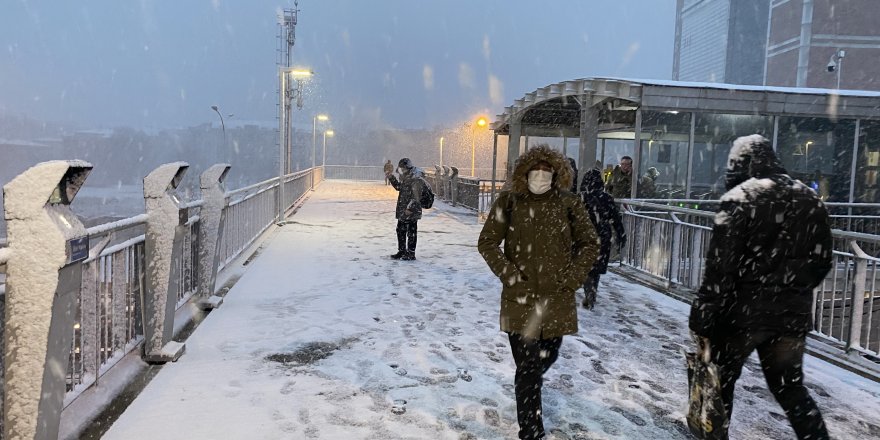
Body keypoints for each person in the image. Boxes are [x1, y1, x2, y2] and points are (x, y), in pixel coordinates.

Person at [689, 134, 833, 440]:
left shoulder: (740, 198)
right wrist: (792, 291)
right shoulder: (809, 199)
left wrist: (703, 313)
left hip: (740, 314)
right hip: (790, 317)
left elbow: (720, 269)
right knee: (791, 389)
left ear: (741, 164)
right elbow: (822, 262)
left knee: (720, 384)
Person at [478, 145, 599, 440]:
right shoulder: (509, 202)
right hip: (519, 300)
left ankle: (528, 389)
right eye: (536, 170)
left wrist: (572, 279)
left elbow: (590, 244)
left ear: (558, 174)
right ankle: (531, 430)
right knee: (529, 366)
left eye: (548, 171)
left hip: (556, 299)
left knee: (547, 357)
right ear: (524, 173)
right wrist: (511, 277)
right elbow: (488, 242)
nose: (541, 176)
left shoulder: (570, 204)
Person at [579, 168, 626, 309]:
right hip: (603, 234)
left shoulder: (580, 198)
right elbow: (616, 219)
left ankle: (588, 291)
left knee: (586, 265)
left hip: (584, 235)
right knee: (595, 267)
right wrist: (621, 235)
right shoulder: (606, 198)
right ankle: (592, 290)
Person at [386, 158, 423, 260]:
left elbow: (417, 196)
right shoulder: (406, 176)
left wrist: (410, 208)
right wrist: (391, 177)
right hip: (403, 209)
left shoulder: (415, 177)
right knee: (400, 230)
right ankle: (402, 251)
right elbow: (399, 187)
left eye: (402, 168)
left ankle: (411, 253)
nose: (401, 170)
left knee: (411, 231)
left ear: (407, 167)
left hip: (411, 210)